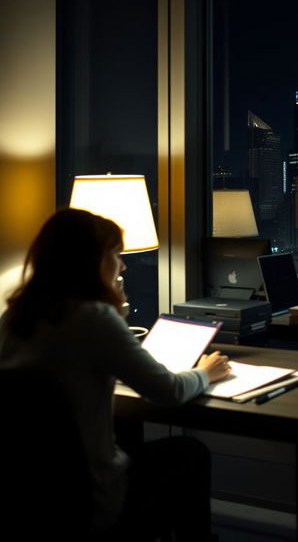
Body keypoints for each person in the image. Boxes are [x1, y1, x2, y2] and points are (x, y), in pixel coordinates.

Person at [0, 207, 231, 540]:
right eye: (115, 254)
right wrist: (206, 373)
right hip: (93, 500)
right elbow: (167, 391)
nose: (122, 265)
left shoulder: (14, 318)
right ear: (90, 259)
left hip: (36, 498)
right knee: (190, 454)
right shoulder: (93, 317)